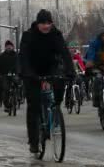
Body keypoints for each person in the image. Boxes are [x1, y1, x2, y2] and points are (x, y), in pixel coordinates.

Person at [19, 9, 75, 154]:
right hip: (32, 71)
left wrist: (70, 70)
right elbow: (23, 57)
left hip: (51, 68)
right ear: (38, 23)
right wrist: (27, 73)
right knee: (34, 105)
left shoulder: (56, 34)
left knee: (58, 87)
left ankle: (55, 110)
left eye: (48, 23)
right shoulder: (28, 36)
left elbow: (64, 53)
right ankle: (33, 141)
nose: (46, 26)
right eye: (43, 23)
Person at [0, 40, 18, 111]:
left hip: (14, 74)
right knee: (6, 89)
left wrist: (19, 72)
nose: (9, 47)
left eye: (10, 46)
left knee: (18, 84)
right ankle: (6, 104)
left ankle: (18, 97)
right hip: (5, 75)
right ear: (5, 47)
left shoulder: (16, 55)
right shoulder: (2, 56)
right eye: (7, 46)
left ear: (12, 47)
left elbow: (20, 64)